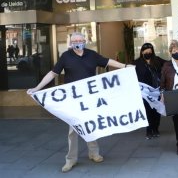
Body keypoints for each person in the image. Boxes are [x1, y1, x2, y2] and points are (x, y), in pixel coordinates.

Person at [27, 32, 130, 172]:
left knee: (91, 125)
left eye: (80, 40)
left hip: (90, 99)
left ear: (85, 41)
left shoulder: (92, 55)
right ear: (71, 42)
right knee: (73, 130)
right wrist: (37, 88)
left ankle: (94, 153)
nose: (78, 42)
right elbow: (53, 73)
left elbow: (108, 61)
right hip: (73, 100)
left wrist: (124, 67)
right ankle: (71, 160)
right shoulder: (66, 56)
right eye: (75, 40)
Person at [134, 43, 167, 139]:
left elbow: (169, 64)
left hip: (157, 90)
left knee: (157, 110)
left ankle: (156, 129)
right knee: (147, 111)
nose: (148, 52)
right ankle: (149, 130)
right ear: (142, 51)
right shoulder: (137, 63)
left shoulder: (157, 60)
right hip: (144, 92)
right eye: (145, 51)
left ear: (152, 51)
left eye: (149, 50)